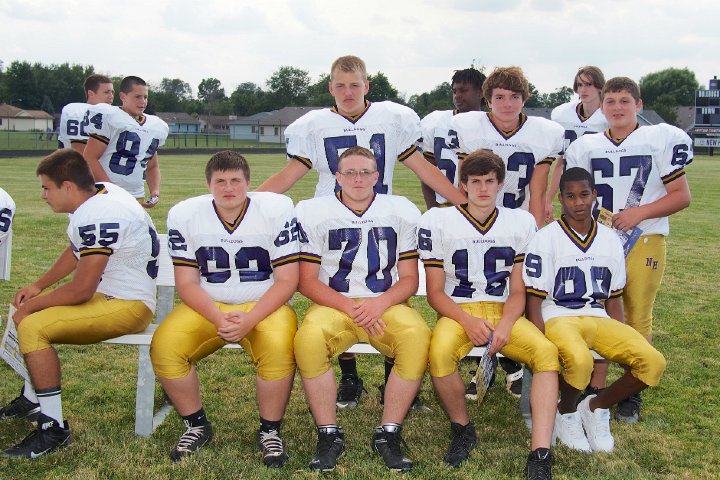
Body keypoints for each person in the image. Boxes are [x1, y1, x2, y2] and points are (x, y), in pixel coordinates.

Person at [258, 55, 459, 409]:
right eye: (340, 85)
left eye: (354, 85)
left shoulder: (392, 118)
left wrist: (461, 202)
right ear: (330, 88)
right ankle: (349, 378)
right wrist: (250, 204)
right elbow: (290, 175)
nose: (348, 92)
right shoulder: (314, 125)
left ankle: (393, 376)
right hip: (331, 220)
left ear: (367, 86)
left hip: (382, 217)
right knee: (338, 289)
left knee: (388, 286)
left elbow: (422, 168)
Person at [0, 149, 158, 458]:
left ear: (68, 186)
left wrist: (36, 305)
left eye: (47, 187)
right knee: (25, 311)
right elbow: (77, 251)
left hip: (128, 304)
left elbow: (81, 290)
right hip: (112, 295)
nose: (43, 195)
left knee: (33, 325)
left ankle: (53, 429)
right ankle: (33, 399)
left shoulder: (99, 214)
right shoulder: (101, 194)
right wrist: (38, 286)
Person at [150, 151, 299, 466]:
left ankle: (270, 431)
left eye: (235, 180)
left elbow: (287, 280)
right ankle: (196, 425)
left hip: (264, 304)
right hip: (209, 304)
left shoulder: (276, 211)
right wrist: (218, 317)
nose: (228, 188)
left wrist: (251, 318)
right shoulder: (186, 215)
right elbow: (187, 283)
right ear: (208, 185)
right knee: (165, 347)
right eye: (220, 181)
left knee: (278, 348)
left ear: (248, 183)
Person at [419, 150, 559, 479]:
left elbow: (518, 291)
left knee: (546, 353)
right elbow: (435, 293)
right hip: (458, 310)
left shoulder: (520, 222)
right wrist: (466, 321)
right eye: (476, 181)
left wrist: (507, 324)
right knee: (439, 354)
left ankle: (540, 451)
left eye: (489, 181)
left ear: (500, 184)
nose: (483, 188)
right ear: (463, 185)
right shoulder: (438, 221)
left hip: (502, 309)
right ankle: (462, 428)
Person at [294, 146, 430, 472]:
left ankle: (389, 433)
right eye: (350, 172)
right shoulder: (313, 212)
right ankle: (328, 433)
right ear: (337, 177)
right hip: (333, 304)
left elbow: (409, 279)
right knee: (308, 340)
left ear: (377, 176)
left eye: (365, 172)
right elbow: (306, 281)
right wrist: (350, 306)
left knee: (416, 336)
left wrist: (379, 303)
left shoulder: (400, 210)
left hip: (386, 304)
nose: (358, 179)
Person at [564, 77, 692, 422]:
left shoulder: (659, 139)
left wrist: (639, 213)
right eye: (610, 101)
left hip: (645, 237)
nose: (617, 107)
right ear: (601, 106)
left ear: (639, 104)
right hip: (599, 240)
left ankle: (631, 389)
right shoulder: (586, 145)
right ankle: (596, 385)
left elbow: (682, 196)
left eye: (624, 101)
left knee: (636, 314)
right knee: (598, 311)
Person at [524, 167, 667, 452]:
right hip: (558, 314)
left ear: (595, 196)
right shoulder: (545, 238)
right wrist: (539, 342)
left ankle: (594, 406)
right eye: (570, 196)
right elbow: (534, 301)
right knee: (580, 362)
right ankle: (565, 411)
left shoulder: (610, 238)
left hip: (597, 314)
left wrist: (622, 338)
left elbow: (613, 299)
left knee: (653, 363)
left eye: (584, 195)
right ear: (561, 200)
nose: (578, 202)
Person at [447, 66, 565, 228]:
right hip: (477, 219)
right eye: (500, 97)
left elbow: (538, 193)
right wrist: (467, 225)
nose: (508, 104)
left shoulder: (543, 133)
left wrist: (534, 232)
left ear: (524, 100)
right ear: (488, 101)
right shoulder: (469, 127)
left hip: (519, 221)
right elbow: (464, 187)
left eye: (515, 97)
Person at [83, 76, 169, 208]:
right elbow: (89, 157)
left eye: (145, 97)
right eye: (137, 97)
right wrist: (110, 190)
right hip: (105, 194)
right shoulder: (110, 116)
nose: (142, 101)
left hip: (136, 195)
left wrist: (155, 191)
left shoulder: (154, 125)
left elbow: (152, 166)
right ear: (123, 96)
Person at [546, 66, 608, 223]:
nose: (583, 89)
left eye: (589, 84)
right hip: (573, 186)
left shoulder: (608, 116)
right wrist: (548, 199)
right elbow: (561, 162)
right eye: (580, 85)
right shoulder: (563, 115)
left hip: (602, 184)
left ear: (600, 86)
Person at [419, 67, 486, 209]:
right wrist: (432, 209)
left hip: (482, 207)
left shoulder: (490, 125)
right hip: (444, 207)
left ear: (481, 92)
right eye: (454, 91)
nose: (457, 95)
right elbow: (427, 173)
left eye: (463, 90)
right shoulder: (436, 122)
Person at [57, 74, 115, 153]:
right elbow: (80, 154)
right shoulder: (80, 112)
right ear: (91, 94)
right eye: (106, 92)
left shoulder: (110, 115)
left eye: (112, 92)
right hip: (78, 160)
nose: (111, 96)